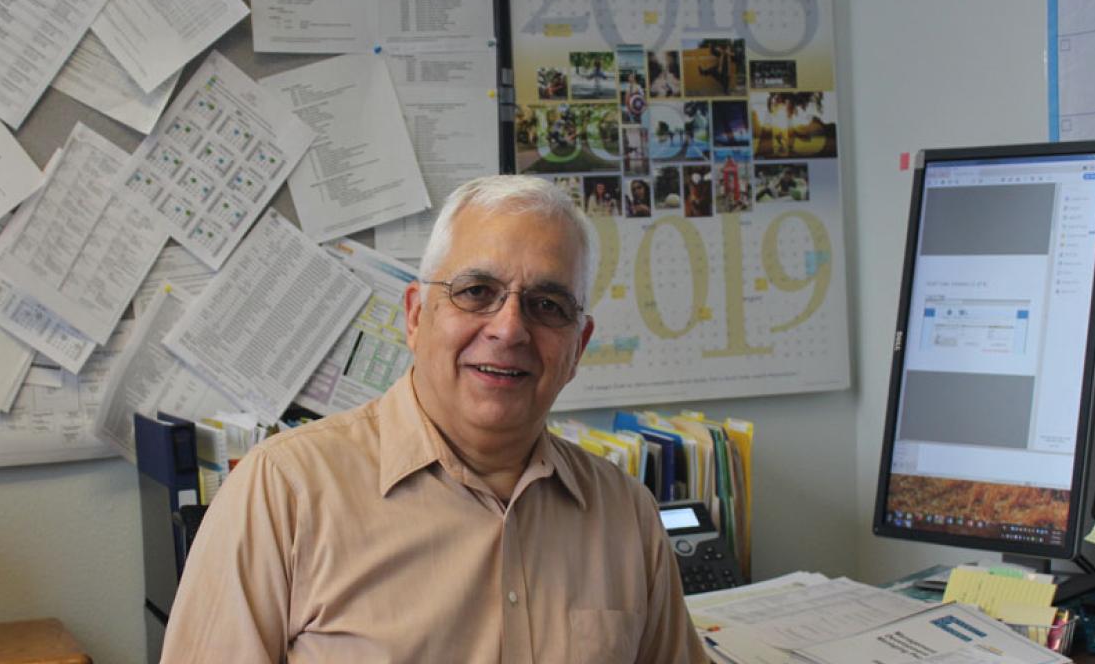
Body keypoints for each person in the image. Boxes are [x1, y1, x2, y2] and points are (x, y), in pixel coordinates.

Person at [159, 175, 707, 663]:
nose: (509, 329)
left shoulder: (625, 515)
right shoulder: (282, 493)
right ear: (416, 316)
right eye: (476, 292)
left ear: (578, 346)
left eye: (547, 305)